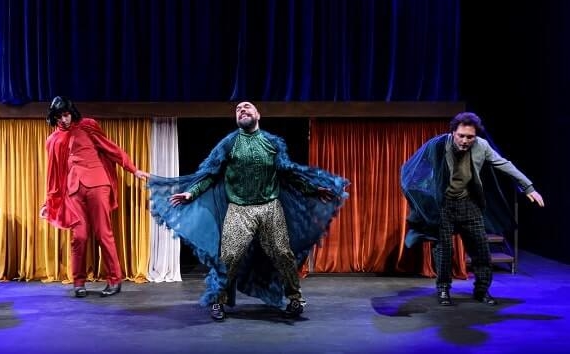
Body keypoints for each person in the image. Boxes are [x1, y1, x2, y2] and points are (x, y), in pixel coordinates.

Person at [147, 101, 349, 321]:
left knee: (283, 254)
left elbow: (288, 173)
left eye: (247, 107)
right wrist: (191, 193)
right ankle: (218, 300)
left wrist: (313, 189)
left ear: (258, 115)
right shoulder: (229, 143)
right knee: (229, 257)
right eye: (238, 109)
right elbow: (210, 174)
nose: (242, 110)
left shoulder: (272, 143)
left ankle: (295, 299)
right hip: (239, 209)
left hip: (270, 208)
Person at [401, 112, 544, 306]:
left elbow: (504, 164)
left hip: (469, 204)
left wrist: (528, 187)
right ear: (453, 132)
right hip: (444, 206)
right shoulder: (438, 145)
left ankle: (482, 291)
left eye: (470, 137)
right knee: (443, 251)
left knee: (481, 250)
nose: (465, 141)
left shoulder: (481, 146)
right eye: (461, 136)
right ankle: (443, 289)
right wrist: (423, 196)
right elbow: (414, 169)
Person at [40, 96, 150, 298]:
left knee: (103, 233)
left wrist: (133, 169)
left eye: (66, 115)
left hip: (98, 184)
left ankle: (114, 280)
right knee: (79, 237)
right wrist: (49, 201)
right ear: (54, 117)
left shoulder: (87, 126)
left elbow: (111, 149)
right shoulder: (52, 140)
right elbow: (53, 174)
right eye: (59, 116)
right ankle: (78, 282)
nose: (64, 119)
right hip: (73, 191)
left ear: (71, 113)